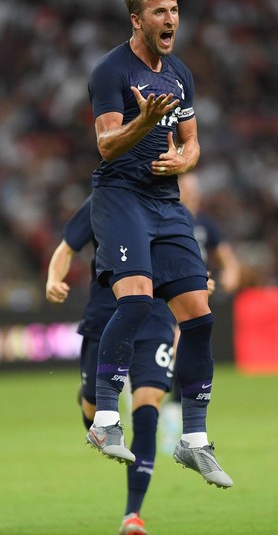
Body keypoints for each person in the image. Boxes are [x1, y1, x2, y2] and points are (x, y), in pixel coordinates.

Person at [85, 0, 232, 489]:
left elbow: (193, 144)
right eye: (159, 12)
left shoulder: (179, 74)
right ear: (137, 20)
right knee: (137, 301)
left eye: (173, 10)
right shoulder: (110, 71)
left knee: (199, 313)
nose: (170, 19)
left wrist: (182, 160)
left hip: (166, 203)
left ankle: (194, 439)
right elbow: (106, 144)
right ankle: (105, 420)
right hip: (121, 196)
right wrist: (144, 124)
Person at [47, 195, 177, 535]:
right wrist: (52, 279)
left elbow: (183, 260)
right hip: (106, 320)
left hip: (156, 319)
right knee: (93, 406)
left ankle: (132, 515)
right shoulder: (103, 199)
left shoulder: (168, 204)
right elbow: (65, 249)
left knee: (147, 408)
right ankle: (89, 403)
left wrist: (196, 282)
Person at [160, 172, 242, 454]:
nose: (192, 194)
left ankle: (176, 422)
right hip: (171, 295)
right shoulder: (164, 218)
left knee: (187, 353)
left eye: (195, 190)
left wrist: (231, 274)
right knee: (174, 351)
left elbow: (226, 257)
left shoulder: (205, 225)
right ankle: (169, 418)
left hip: (198, 297)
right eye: (187, 189)